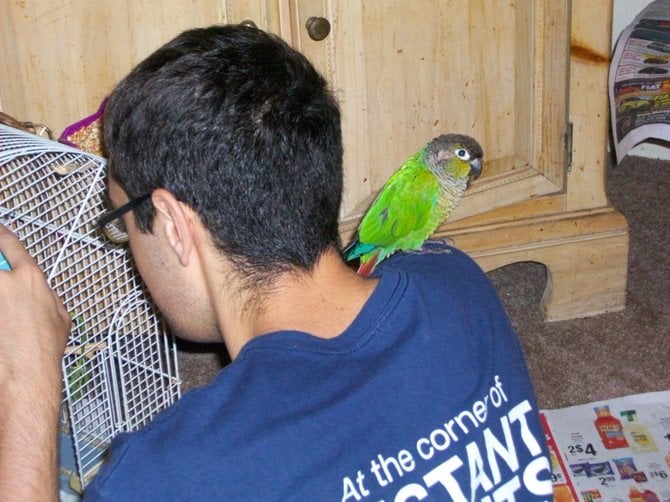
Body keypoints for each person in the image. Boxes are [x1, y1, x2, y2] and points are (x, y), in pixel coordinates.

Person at [0, 24, 553, 500]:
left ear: (171, 226)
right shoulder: (458, 281)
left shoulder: (165, 476)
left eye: (123, 224)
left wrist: (28, 378)